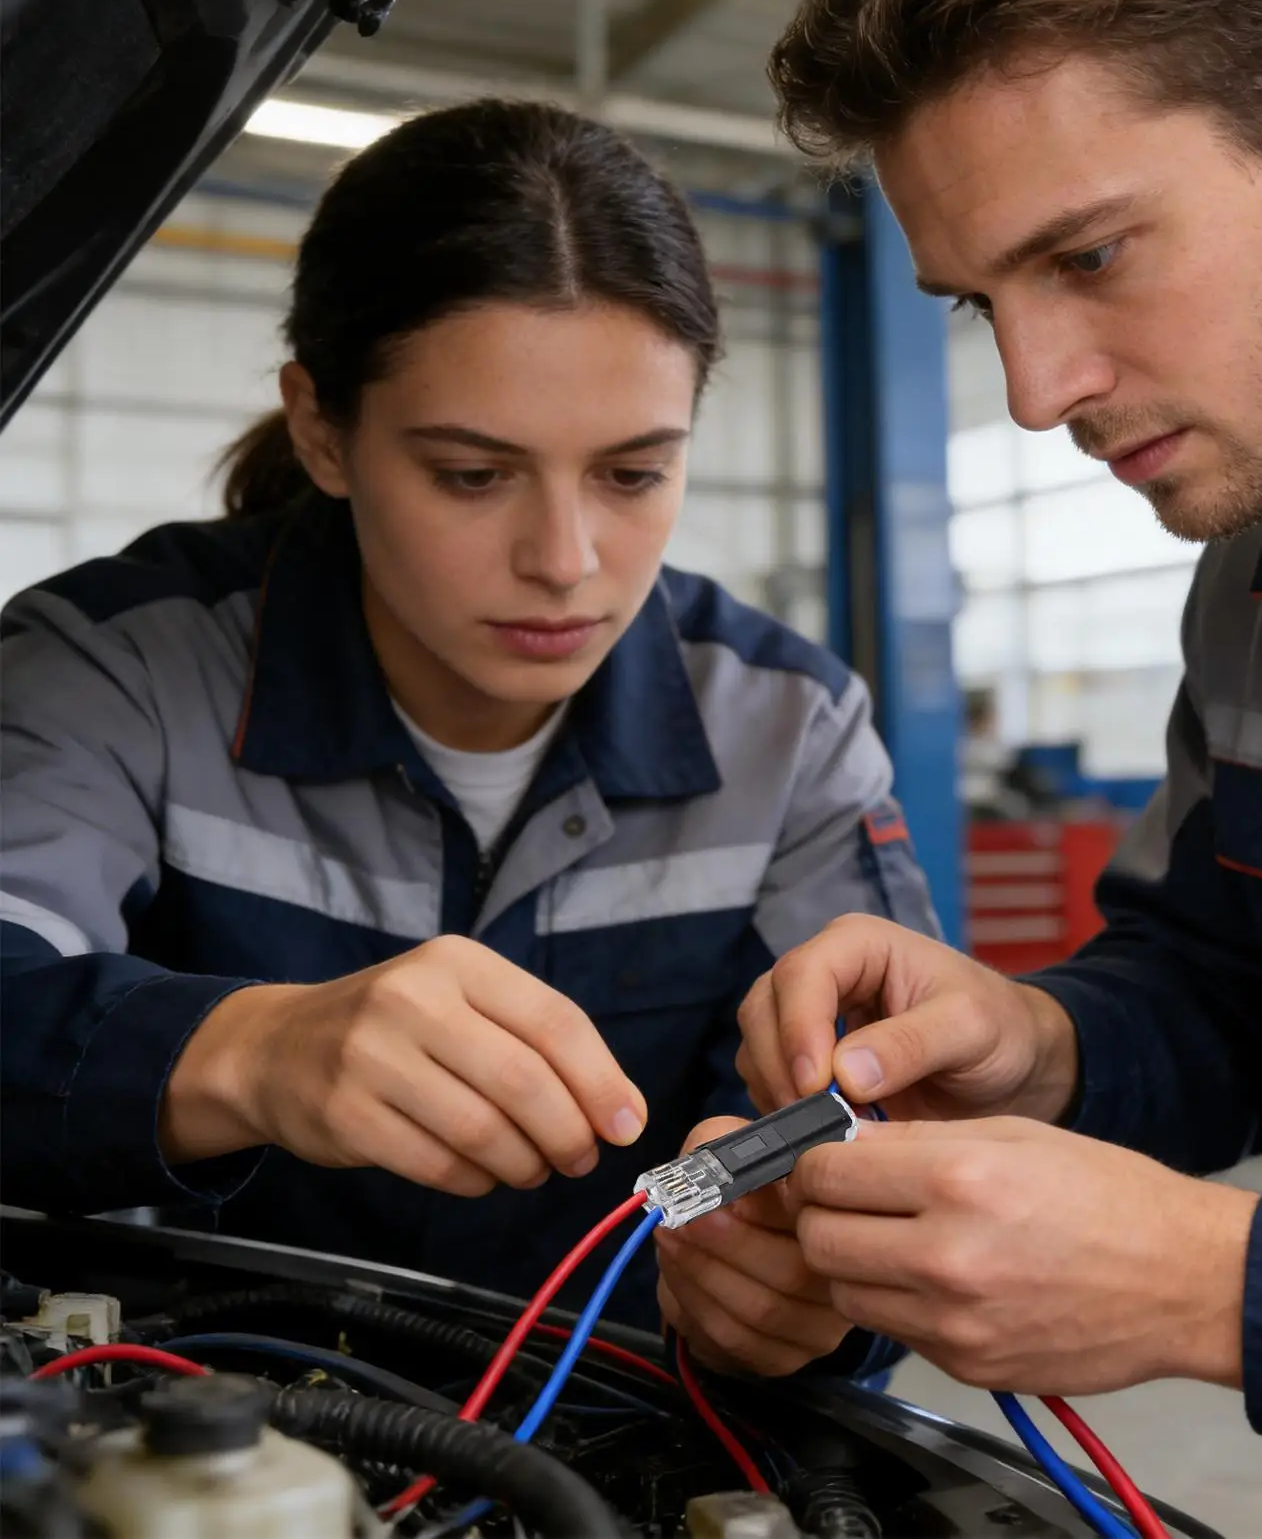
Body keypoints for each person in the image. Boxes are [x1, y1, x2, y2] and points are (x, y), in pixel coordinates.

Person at [653, 0, 1262, 1531]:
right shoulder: (1259, 563)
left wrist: (1217, 1282)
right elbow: (1237, 994)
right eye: (983, 303)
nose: (1036, 392)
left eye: (1087, 255)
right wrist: (1036, 1051)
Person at [0, 98, 936, 1360]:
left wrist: (808, 1297)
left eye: (633, 473)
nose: (565, 560)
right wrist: (250, 1051)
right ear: (323, 429)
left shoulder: (788, 729)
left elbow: (876, 1114)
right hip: (199, 1402)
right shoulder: (116, 667)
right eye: (472, 475)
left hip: (626, 1415)